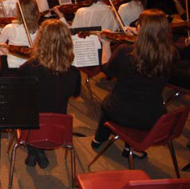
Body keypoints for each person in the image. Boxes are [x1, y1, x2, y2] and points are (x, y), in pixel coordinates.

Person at [91, 9, 177, 160]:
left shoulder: (125, 51)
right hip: (152, 117)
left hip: (120, 112)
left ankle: (99, 139)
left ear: (141, 29)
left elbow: (107, 70)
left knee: (107, 104)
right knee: (132, 104)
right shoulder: (171, 54)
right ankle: (132, 147)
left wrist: (105, 44)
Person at [17, 19, 81, 168]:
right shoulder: (74, 73)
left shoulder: (28, 68)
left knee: (30, 111)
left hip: (30, 127)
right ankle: (38, 151)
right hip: (58, 128)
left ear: (41, 41)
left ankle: (34, 150)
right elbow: (76, 93)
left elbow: (18, 93)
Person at [0, 0, 41, 76]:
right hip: (32, 68)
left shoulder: (10, 28)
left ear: (19, 12)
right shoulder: (41, 30)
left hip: (12, 68)